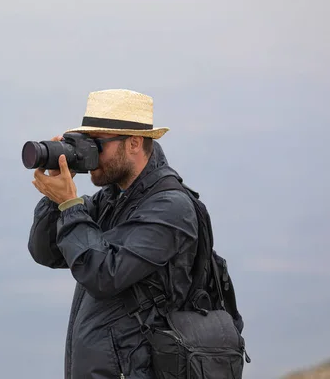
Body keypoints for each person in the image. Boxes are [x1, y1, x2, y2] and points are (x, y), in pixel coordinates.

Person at [27, 89, 200, 379]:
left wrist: (70, 204)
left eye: (97, 144)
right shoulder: (112, 199)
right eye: (83, 143)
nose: (88, 153)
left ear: (133, 143)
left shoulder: (171, 209)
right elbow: (47, 252)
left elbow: (104, 275)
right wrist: (54, 199)